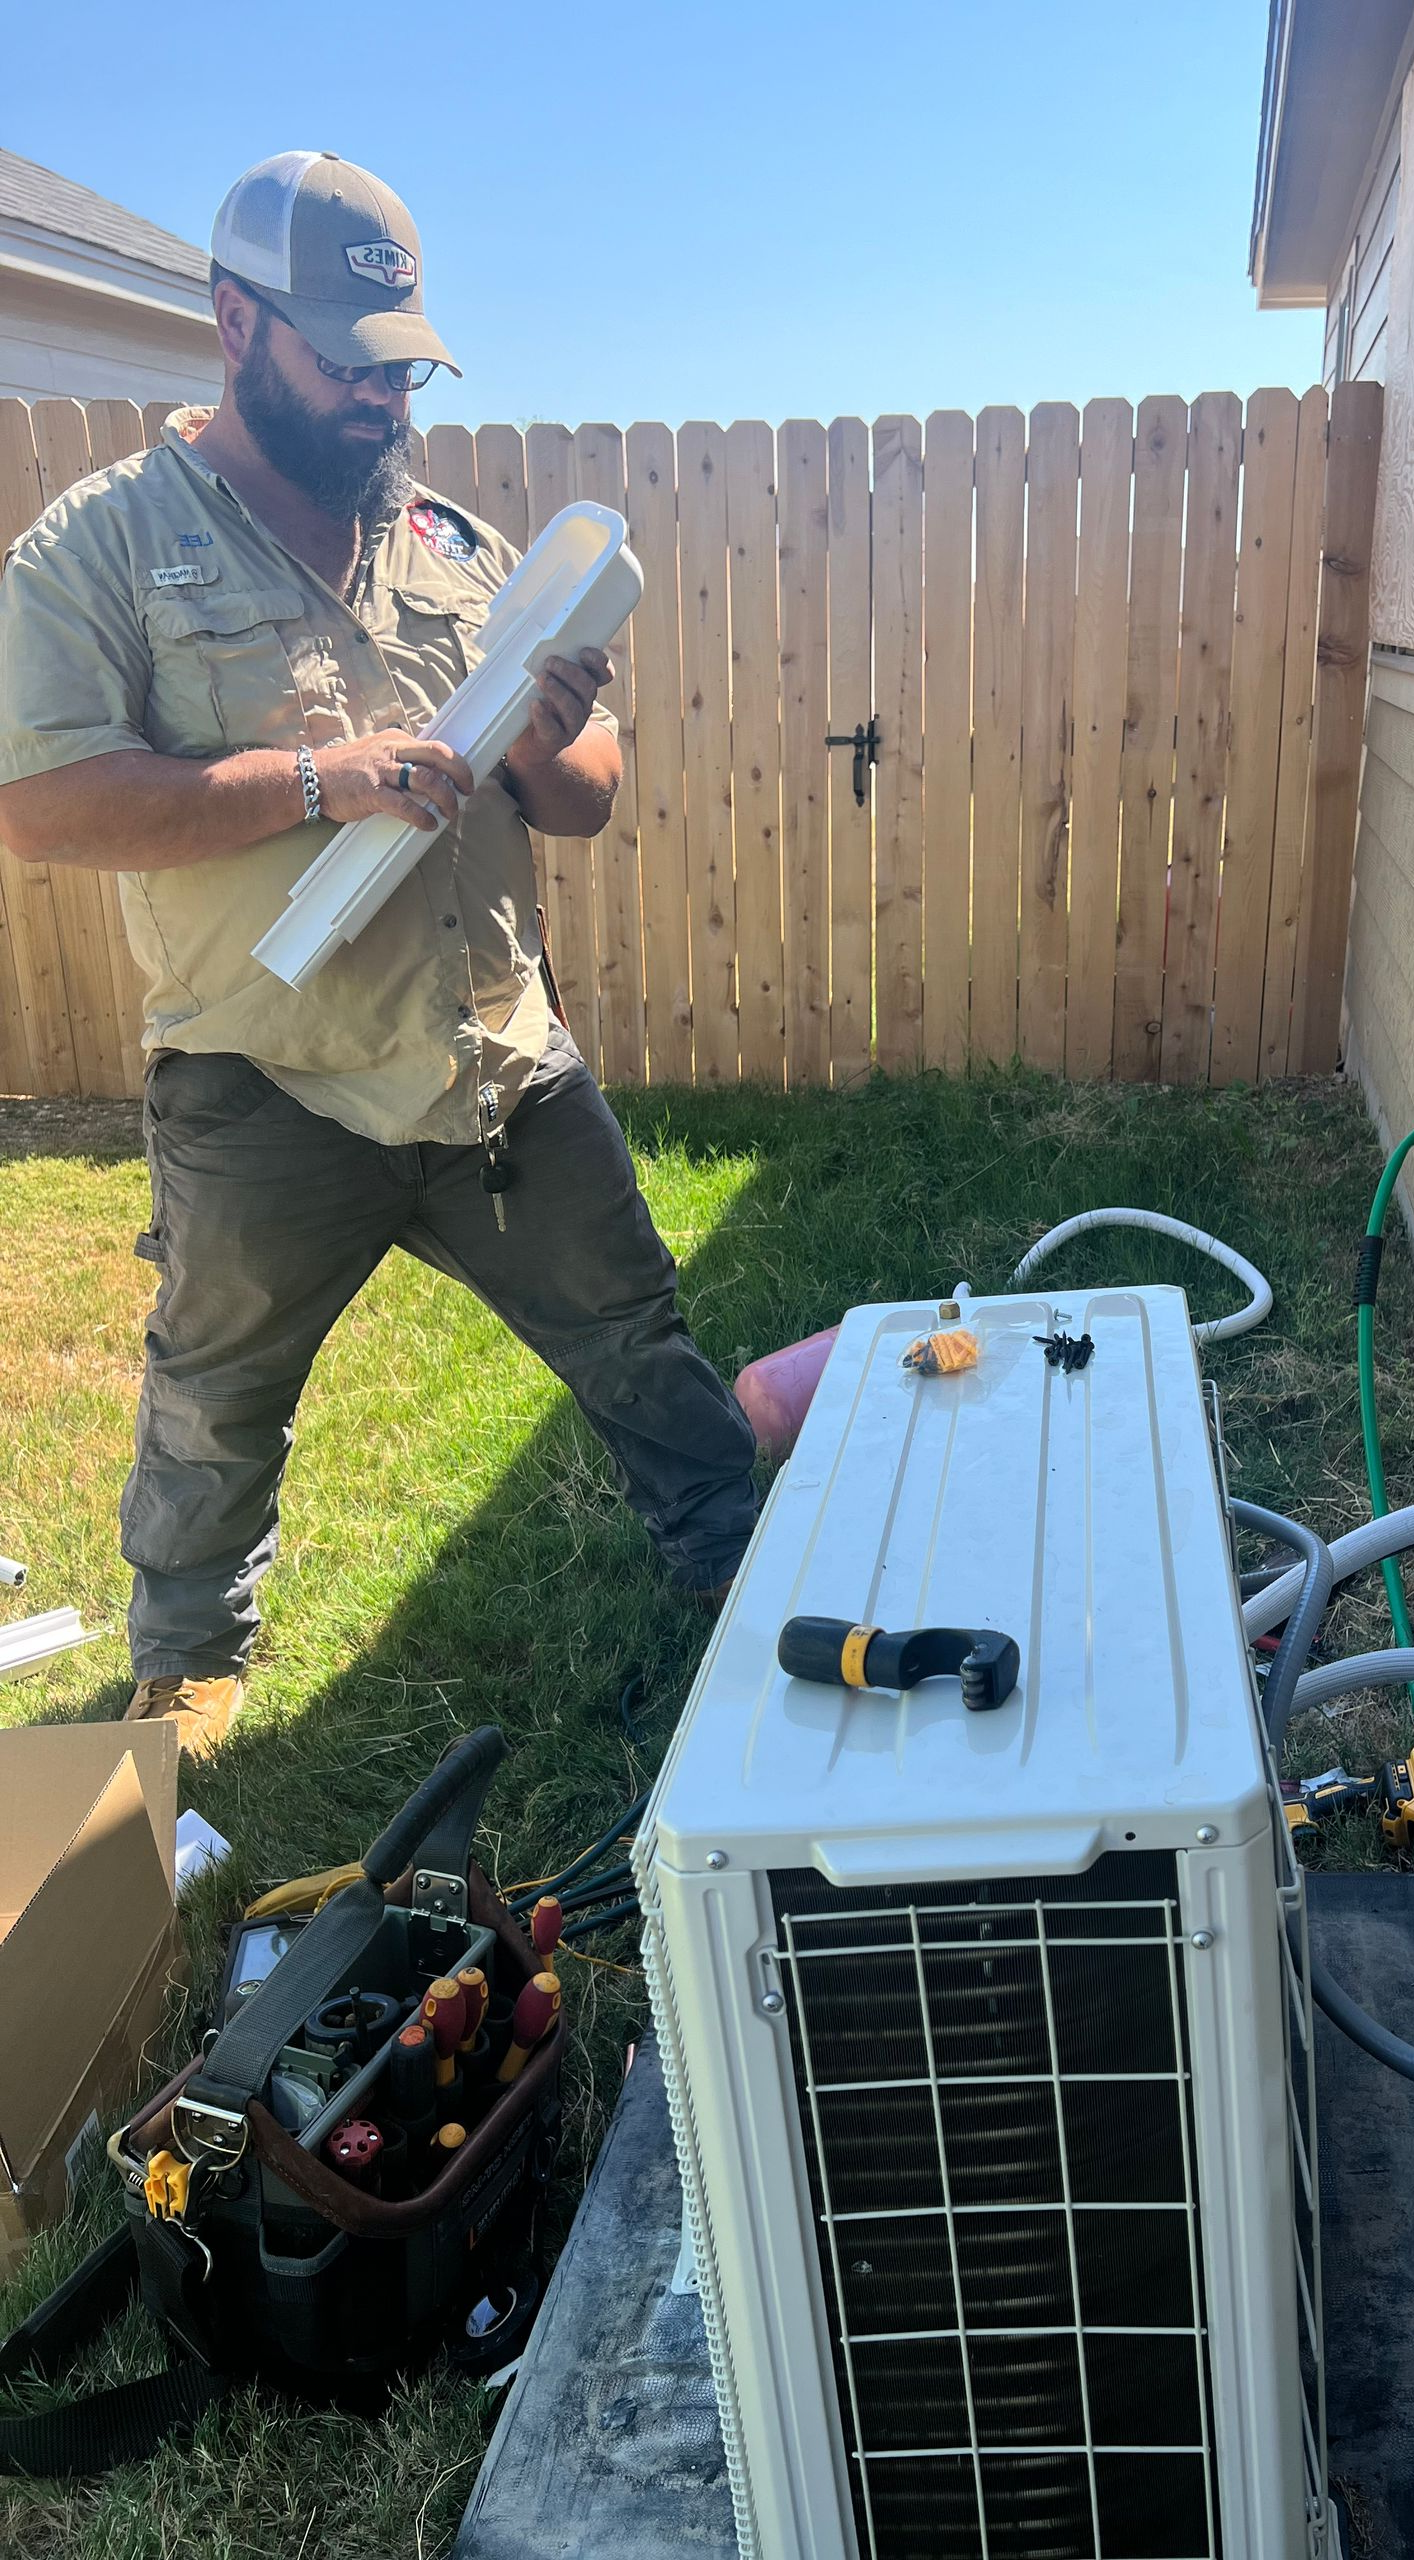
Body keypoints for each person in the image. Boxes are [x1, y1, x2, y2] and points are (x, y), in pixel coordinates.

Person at [0, 152, 758, 1753]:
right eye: (348, 363)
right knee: (213, 1396)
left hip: (500, 1061)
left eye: (401, 364)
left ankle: (736, 1566)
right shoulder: (106, 547)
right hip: (268, 1075)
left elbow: (590, 792)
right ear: (232, 322)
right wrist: (313, 781)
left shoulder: (458, 543)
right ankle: (189, 1661)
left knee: (637, 1336)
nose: (381, 395)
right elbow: (47, 803)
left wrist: (552, 733)